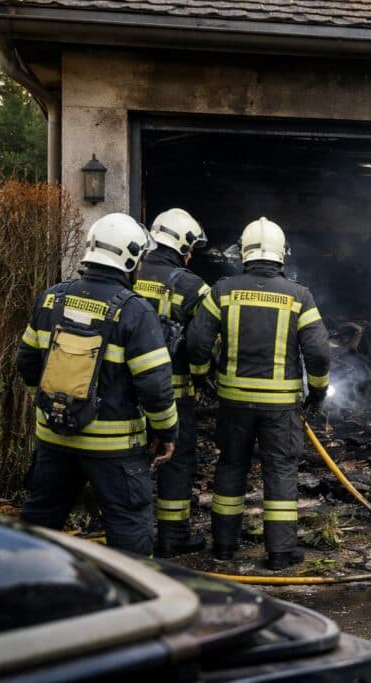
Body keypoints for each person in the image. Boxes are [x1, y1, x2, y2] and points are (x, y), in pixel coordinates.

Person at [17, 212, 177, 556]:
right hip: (114, 449)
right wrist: (167, 433)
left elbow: (26, 362)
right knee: (129, 532)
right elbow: (156, 386)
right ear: (131, 259)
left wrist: (47, 406)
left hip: (55, 438)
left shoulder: (51, 299)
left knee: (38, 526)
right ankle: (135, 605)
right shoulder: (135, 312)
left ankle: (23, 597)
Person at [187, 217, 330, 570]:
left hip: (233, 402)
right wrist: (318, 392)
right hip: (281, 406)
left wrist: (203, 376)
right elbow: (319, 352)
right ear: (282, 254)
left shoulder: (222, 291)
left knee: (231, 467)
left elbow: (197, 342)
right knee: (280, 471)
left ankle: (223, 546)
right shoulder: (300, 296)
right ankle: (280, 554)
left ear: (244, 252)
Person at [135, 208, 212, 557]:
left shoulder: (129, 274)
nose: (191, 255)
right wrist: (202, 375)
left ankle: (132, 535)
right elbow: (203, 341)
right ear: (182, 246)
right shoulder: (192, 286)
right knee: (177, 462)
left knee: (130, 461)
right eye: (190, 247)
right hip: (174, 393)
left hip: (126, 393)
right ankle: (172, 536)